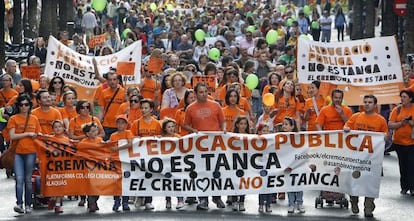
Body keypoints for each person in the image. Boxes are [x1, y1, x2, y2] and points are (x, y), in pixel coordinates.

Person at [344, 94, 388, 217]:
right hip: (356, 156)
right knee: (354, 179)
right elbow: (347, 127)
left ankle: (369, 206)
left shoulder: (380, 120)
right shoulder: (356, 116)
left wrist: (384, 137)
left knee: (371, 181)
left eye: (370, 102)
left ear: (375, 105)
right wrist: (346, 128)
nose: (367, 104)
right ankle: (354, 201)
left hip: (372, 158)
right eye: (365, 102)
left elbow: (385, 134)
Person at [183, 82, 226, 210]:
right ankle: (203, 199)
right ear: (195, 94)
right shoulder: (190, 108)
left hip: (215, 145)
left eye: (205, 92)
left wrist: (224, 130)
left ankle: (217, 197)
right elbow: (185, 125)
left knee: (216, 171)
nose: (204, 94)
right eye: (201, 92)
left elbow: (222, 121)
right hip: (199, 146)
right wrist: (194, 131)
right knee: (202, 172)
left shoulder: (216, 105)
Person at [7, 94, 41, 214]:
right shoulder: (13, 119)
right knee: (19, 179)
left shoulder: (34, 119)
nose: (24, 107)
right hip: (17, 153)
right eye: (21, 104)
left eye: (26, 104)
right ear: (18, 106)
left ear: (29, 106)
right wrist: (27, 134)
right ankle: (19, 203)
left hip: (31, 152)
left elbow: (38, 136)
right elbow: (12, 136)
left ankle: (28, 204)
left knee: (27, 179)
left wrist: (38, 154)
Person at [130, 99, 161, 210]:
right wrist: (135, 138)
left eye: (146, 108)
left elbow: (161, 138)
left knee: (150, 176)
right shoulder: (136, 123)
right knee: (139, 176)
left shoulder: (157, 123)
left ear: (151, 109)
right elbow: (130, 137)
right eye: (142, 108)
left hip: (152, 155)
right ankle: (139, 195)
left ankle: (148, 200)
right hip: (140, 154)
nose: (143, 110)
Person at [388, 90, 414, 197]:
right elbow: (390, 124)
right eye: (401, 97)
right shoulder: (397, 109)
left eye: (404, 97)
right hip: (399, 143)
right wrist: (401, 123)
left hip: (412, 142)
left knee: (411, 165)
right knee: (402, 165)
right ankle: (404, 186)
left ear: (410, 99)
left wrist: (412, 123)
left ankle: (412, 187)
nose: (402, 99)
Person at [77, 122, 103, 212]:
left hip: (98, 167)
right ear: (87, 134)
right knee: (90, 185)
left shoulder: (99, 140)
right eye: (93, 131)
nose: (95, 132)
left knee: (97, 185)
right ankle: (92, 202)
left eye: (96, 130)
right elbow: (79, 149)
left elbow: (105, 149)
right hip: (87, 167)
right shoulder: (83, 142)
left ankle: (93, 201)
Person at [109, 115, 133, 212]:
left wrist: (117, 148)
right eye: (118, 123)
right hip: (116, 160)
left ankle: (125, 201)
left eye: (123, 123)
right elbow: (110, 147)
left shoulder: (128, 133)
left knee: (126, 181)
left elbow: (130, 144)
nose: (120, 125)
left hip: (126, 160)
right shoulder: (113, 135)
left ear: (126, 124)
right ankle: (116, 200)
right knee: (116, 182)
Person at [160, 118, 185, 210]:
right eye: (169, 127)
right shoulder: (161, 138)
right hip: (165, 163)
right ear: (165, 129)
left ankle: (180, 200)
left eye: (172, 126)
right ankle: (168, 200)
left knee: (177, 180)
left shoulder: (178, 137)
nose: (171, 128)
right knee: (167, 181)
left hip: (176, 162)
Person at [282, 117, 306, 213]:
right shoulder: (280, 137)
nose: (284, 126)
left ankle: (299, 203)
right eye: (283, 124)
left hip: (297, 165)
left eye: (286, 124)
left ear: (292, 126)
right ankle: (291, 204)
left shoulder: (298, 137)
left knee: (299, 184)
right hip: (287, 166)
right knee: (290, 185)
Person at [98, 71, 125, 141]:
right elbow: (101, 110)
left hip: (120, 125)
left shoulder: (124, 93)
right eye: (110, 80)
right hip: (106, 125)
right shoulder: (104, 92)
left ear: (118, 81)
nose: (112, 82)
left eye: (114, 79)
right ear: (107, 81)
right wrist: (98, 123)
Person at [231, 116, 250, 211]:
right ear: (237, 125)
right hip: (234, 161)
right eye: (241, 124)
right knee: (234, 181)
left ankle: (242, 201)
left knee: (243, 182)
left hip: (245, 162)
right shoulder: (231, 136)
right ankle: (234, 201)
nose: (243, 126)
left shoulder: (250, 136)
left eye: (245, 124)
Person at [257, 123, 272, 213]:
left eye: (267, 131)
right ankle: (261, 204)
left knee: (269, 185)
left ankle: (268, 204)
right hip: (260, 166)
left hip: (270, 165)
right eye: (263, 131)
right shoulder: (255, 140)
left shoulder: (272, 140)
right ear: (259, 132)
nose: (266, 133)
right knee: (261, 186)